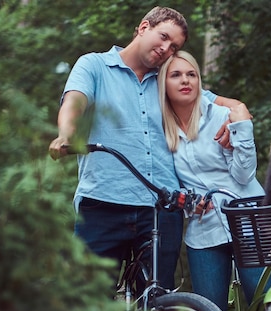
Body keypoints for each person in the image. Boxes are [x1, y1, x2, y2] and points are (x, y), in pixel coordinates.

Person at [48, 7, 234, 291]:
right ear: (143, 27)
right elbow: (75, 101)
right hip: (102, 204)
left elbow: (212, 103)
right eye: (163, 37)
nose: (166, 49)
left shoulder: (167, 80)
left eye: (174, 47)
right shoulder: (94, 66)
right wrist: (67, 133)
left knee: (158, 308)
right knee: (88, 307)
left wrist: (237, 115)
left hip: (161, 209)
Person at [158, 50, 271, 311]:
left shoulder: (221, 115)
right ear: (162, 83)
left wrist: (242, 128)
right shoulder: (159, 129)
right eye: (175, 75)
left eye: (192, 74)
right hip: (204, 230)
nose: (185, 81)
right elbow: (165, 180)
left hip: (248, 219)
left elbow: (245, 175)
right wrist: (188, 203)